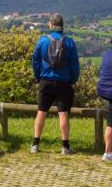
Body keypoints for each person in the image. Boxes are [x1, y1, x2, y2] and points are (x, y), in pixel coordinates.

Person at [31, 13, 79, 155]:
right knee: (63, 114)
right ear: (62, 26)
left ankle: (35, 144)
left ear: (51, 25)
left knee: (41, 112)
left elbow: (35, 61)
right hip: (64, 82)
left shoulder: (43, 41)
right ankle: (65, 147)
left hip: (46, 81)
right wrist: (73, 80)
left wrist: (38, 77)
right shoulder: (69, 42)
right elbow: (74, 65)